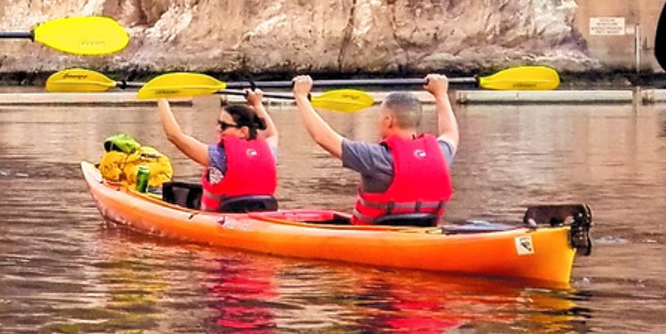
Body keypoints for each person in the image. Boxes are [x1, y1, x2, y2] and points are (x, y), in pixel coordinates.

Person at [289, 73, 457, 224]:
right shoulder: (440, 154)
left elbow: (323, 138)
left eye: (379, 117)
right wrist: (441, 94)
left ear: (388, 120)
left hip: (375, 238)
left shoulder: (376, 158)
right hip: (424, 234)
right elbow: (451, 133)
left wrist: (301, 97)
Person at [155, 90, 280, 212]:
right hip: (262, 212)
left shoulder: (218, 156)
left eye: (223, 126)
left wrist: (161, 98)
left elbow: (174, 136)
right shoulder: (269, 151)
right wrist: (257, 104)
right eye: (218, 123)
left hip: (223, 217)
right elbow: (272, 134)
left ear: (243, 131)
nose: (218, 129)